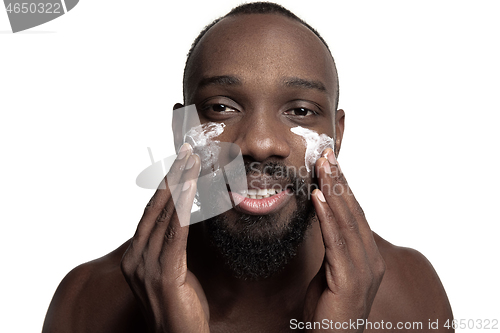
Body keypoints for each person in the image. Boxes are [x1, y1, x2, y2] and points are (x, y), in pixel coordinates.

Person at [42, 2, 453, 332]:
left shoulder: (407, 296)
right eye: (221, 107)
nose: (259, 143)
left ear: (337, 135)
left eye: (300, 110)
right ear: (181, 130)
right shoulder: (88, 302)